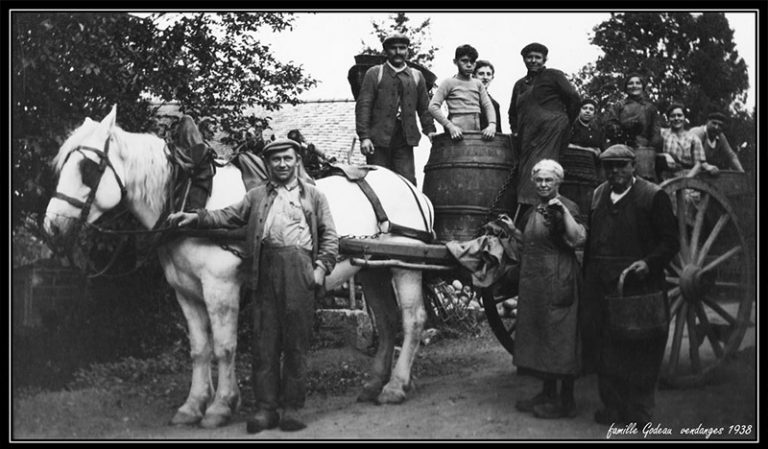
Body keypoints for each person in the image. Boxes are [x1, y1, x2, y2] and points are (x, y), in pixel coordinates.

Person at [167, 139, 339, 433]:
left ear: (296, 161)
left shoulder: (314, 196)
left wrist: (320, 270)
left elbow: (330, 236)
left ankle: (292, 408)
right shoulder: (257, 195)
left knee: (296, 342)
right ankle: (265, 409)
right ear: (268, 165)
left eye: (287, 158)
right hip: (264, 268)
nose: (282, 164)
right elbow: (228, 215)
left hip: (300, 269)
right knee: (264, 342)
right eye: (276, 160)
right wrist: (195, 217)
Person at [580, 144, 679, 426]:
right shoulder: (598, 195)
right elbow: (590, 243)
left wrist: (649, 263)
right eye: (609, 166)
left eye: (621, 165)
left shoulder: (652, 195)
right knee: (604, 348)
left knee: (641, 349)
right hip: (602, 286)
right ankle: (613, 407)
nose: (615, 171)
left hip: (639, 285)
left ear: (633, 166)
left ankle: (639, 411)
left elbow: (671, 242)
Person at [513, 159, 586, 420]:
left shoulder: (567, 207)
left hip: (559, 280)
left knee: (561, 339)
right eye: (539, 180)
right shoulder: (533, 210)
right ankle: (547, 393)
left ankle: (566, 401)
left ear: (558, 182)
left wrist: (563, 212)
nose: (543, 185)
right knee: (543, 338)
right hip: (537, 284)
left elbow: (578, 238)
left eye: (549, 180)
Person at [508, 42, 581, 217]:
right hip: (528, 138)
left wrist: (564, 122)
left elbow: (574, 98)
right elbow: (512, 112)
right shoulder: (520, 85)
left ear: (544, 59)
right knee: (525, 175)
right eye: (529, 57)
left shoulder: (553, 75)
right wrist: (516, 130)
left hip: (551, 133)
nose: (533, 60)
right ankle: (525, 219)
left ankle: (542, 218)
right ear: (524, 59)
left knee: (543, 171)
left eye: (537, 57)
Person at [355, 32, 436, 186]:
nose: (398, 52)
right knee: (378, 183)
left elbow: (424, 108)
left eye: (402, 48)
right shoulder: (375, 73)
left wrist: (430, 129)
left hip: (404, 140)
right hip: (378, 140)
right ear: (386, 51)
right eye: (393, 48)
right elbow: (363, 106)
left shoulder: (416, 76)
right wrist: (364, 137)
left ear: (407, 50)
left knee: (407, 184)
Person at [428, 45, 497, 141]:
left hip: (475, 134)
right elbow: (433, 106)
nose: (469, 65)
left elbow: (488, 105)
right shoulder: (448, 83)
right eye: (464, 61)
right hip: (456, 135)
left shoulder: (478, 84)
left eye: (472, 61)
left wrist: (492, 125)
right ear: (455, 62)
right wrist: (450, 126)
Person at [604, 73, 662, 181]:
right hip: (621, 149)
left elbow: (655, 133)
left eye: (637, 83)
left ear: (643, 86)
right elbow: (610, 125)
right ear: (626, 88)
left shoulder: (650, 108)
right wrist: (623, 129)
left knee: (644, 181)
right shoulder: (618, 106)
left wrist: (650, 148)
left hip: (643, 152)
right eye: (630, 83)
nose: (634, 86)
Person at [560, 98, 605, 219]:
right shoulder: (570, 127)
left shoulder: (597, 131)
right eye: (585, 108)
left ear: (594, 113)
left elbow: (600, 151)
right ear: (579, 110)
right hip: (570, 172)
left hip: (589, 174)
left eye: (591, 109)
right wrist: (590, 150)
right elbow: (564, 144)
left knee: (586, 206)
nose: (588, 111)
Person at [659, 103, 719, 179]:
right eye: (672, 116)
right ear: (668, 118)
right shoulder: (662, 133)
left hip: (687, 175)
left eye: (679, 115)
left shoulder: (693, 138)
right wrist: (664, 155)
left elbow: (698, 164)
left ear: (684, 118)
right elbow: (652, 152)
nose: (676, 118)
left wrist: (686, 180)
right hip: (664, 175)